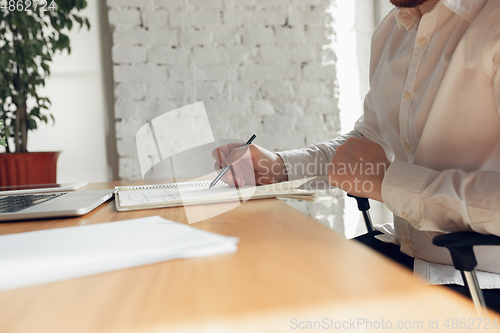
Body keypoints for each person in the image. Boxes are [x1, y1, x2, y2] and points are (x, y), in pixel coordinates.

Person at [213, 0, 500, 312]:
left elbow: (377, 173)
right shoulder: (391, 32)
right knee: (261, 281)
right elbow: (369, 142)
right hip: (409, 255)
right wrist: (280, 167)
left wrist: (389, 183)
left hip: (482, 280)